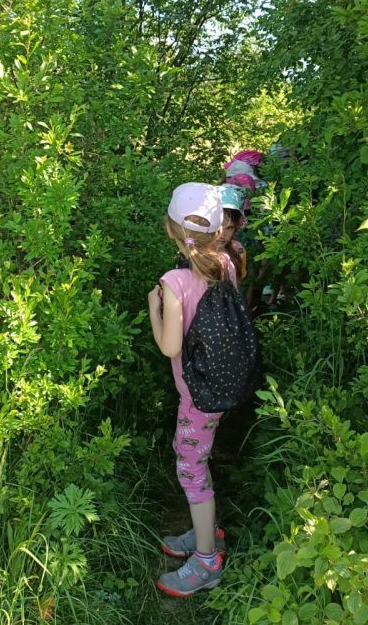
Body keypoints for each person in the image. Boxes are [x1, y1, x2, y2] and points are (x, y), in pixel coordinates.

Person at [148, 182, 235, 596]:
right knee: (198, 459)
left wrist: (154, 308)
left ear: (171, 229)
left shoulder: (174, 281)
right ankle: (207, 532)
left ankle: (206, 561)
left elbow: (170, 347)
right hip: (221, 385)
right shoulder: (225, 265)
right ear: (218, 232)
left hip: (197, 397)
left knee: (191, 468)